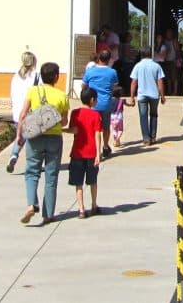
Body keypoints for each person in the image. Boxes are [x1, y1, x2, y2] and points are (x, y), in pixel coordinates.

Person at [16, 62, 70, 225]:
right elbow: (65, 121)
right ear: (56, 77)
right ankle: (48, 214)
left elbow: (23, 115)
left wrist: (19, 135)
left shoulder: (33, 91)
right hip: (54, 138)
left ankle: (32, 204)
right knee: (51, 175)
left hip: (34, 137)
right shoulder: (62, 96)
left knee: (32, 171)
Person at [66, 86, 104, 218]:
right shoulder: (96, 115)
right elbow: (97, 135)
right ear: (92, 100)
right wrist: (98, 154)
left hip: (77, 153)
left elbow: (74, 130)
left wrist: (61, 130)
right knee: (93, 181)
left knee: (78, 183)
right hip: (91, 153)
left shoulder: (75, 113)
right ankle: (94, 205)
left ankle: (81, 209)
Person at [82, 49, 119, 157]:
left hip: (93, 103)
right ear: (109, 60)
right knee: (106, 126)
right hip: (106, 103)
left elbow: (83, 85)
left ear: (98, 58)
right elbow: (115, 85)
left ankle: (93, 147)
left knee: (93, 127)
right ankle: (105, 146)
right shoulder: (112, 72)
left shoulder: (90, 71)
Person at [7, 52, 40, 173]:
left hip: (17, 113)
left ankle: (14, 155)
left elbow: (12, 94)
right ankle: (33, 163)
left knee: (20, 136)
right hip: (30, 111)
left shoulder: (16, 76)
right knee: (34, 140)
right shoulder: (36, 76)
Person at [129, 47, 166, 145]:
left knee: (143, 116)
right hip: (154, 95)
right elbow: (160, 82)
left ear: (141, 55)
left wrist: (132, 97)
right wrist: (162, 96)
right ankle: (153, 137)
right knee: (154, 115)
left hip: (142, 95)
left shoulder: (137, 66)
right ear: (151, 54)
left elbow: (134, 82)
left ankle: (146, 139)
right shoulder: (156, 66)